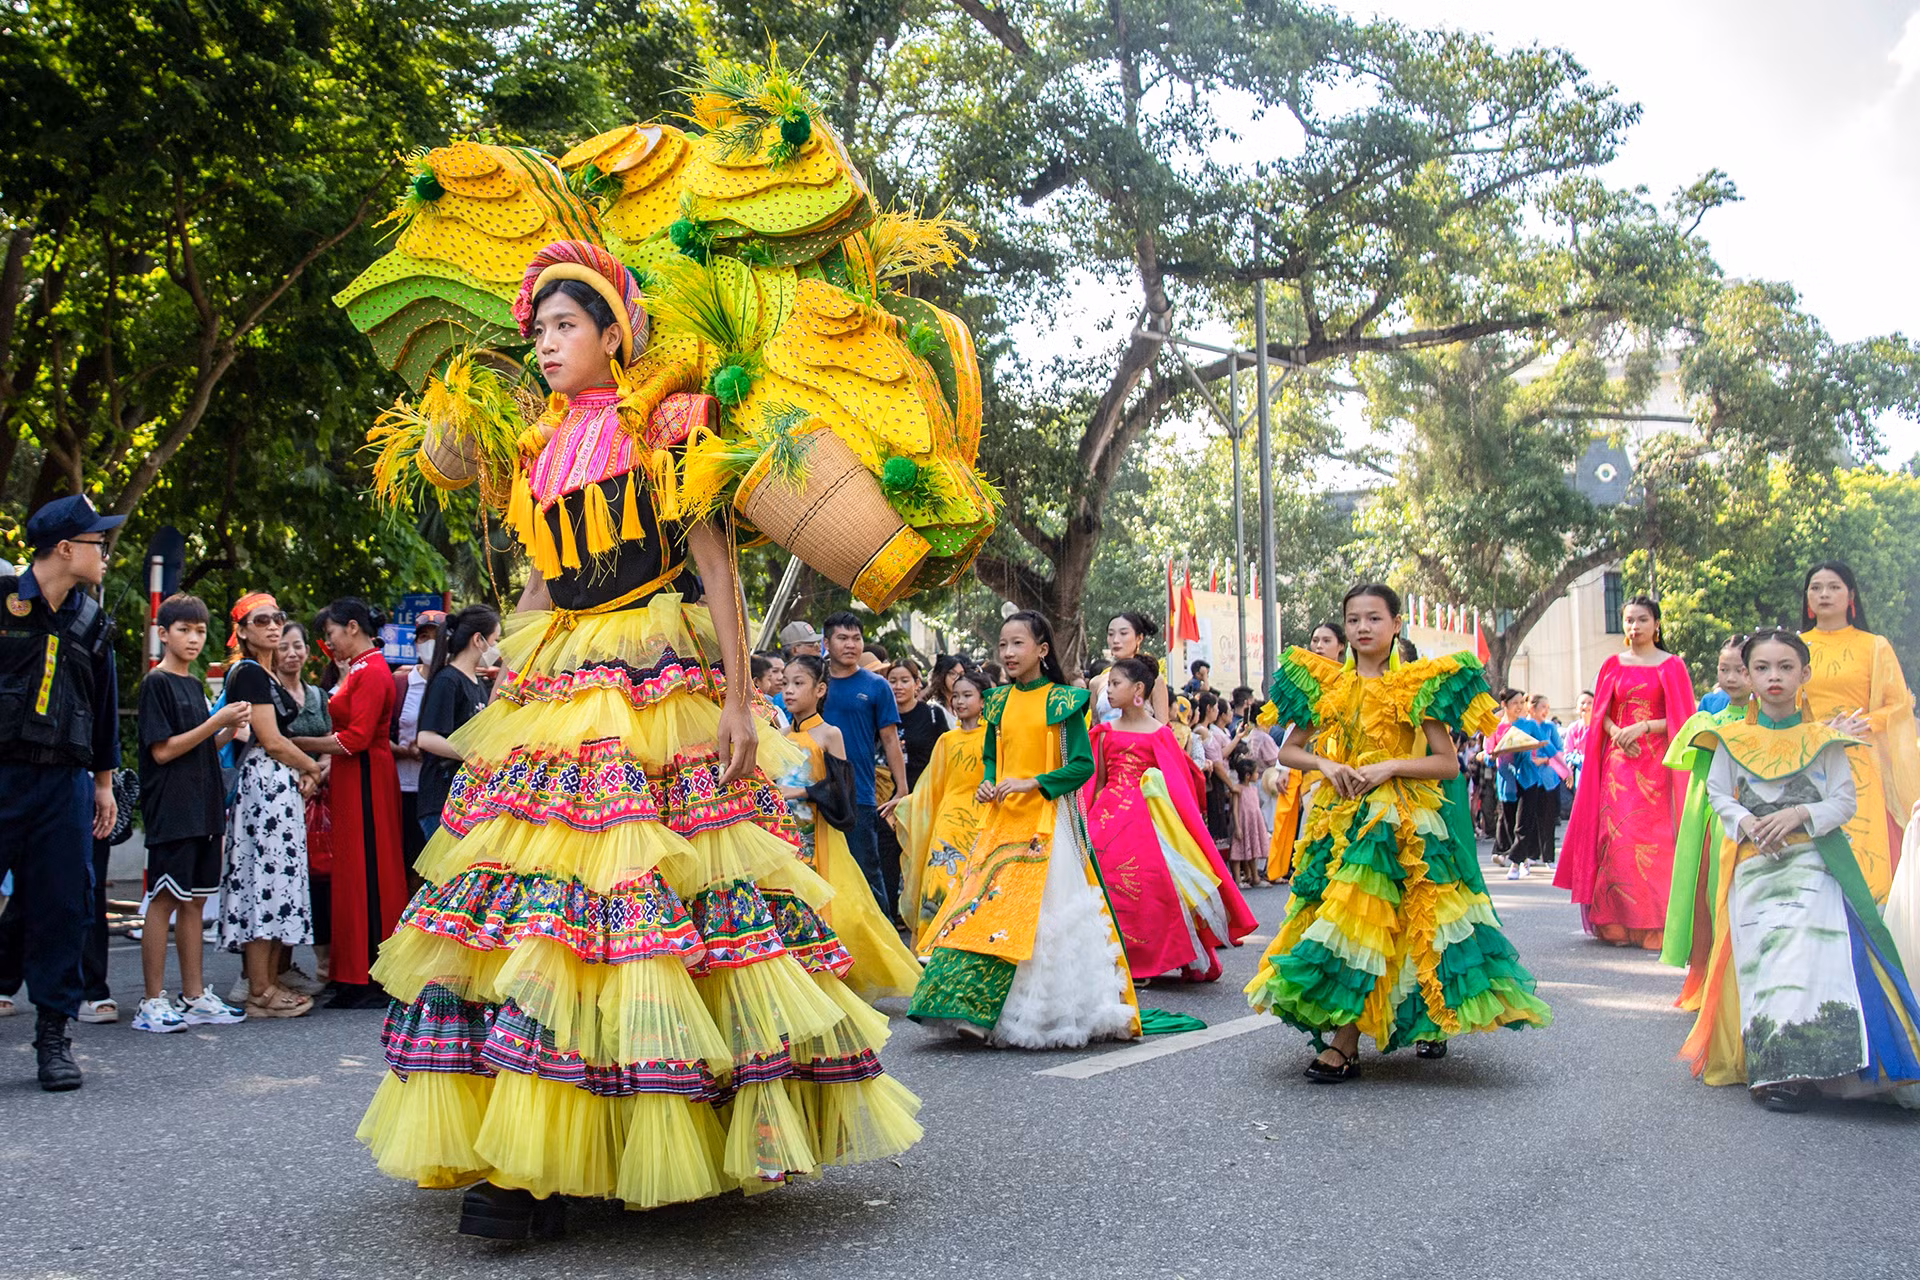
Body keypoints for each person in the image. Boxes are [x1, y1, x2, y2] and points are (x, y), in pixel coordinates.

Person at [357, 245, 919, 1238]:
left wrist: (743, 700)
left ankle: (653, 1134)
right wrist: (507, 678)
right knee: (538, 913)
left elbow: (717, 567)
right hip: (559, 677)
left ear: (615, 333)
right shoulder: (534, 445)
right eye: (538, 331)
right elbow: (540, 579)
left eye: (565, 327)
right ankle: (530, 1157)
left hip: (660, 669)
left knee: (655, 909)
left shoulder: (669, 426)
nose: (546, 345)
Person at [1247, 583, 1551, 1082]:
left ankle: (1351, 1041)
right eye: (1353, 620)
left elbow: (1447, 763)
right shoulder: (1324, 683)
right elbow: (1288, 751)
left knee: (1394, 924)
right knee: (1351, 924)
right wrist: (1326, 762)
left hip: (1399, 819)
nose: (1362, 628)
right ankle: (1360, 1032)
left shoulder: (1416, 685)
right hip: (1340, 815)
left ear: (1395, 624)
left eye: (1373, 618)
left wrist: (1389, 767)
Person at [1678, 628, 1920, 1112]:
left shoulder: (1825, 740)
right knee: (1764, 962)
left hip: (1814, 865)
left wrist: (1799, 814)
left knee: (1816, 961)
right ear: (1747, 674)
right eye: (1762, 668)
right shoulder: (1728, 737)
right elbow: (1721, 795)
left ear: (1805, 674)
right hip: (1753, 867)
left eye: (1786, 667)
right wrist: (1746, 821)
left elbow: (1843, 802)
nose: (1774, 677)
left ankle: (1829, 1064)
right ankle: (1778, 1072)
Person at [910, 611, 1139, 1047]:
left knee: (1028, 920)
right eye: (1002, 645)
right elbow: (993, 757)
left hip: (1043, 827)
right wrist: (989, 782)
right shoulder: (995, 702)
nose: (1008, 653)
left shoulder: (1065, 701)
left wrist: (1034, 782)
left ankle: (1027, 1013)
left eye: (1018, 644)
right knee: (980, 913)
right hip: (998, 824)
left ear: (1042, 650)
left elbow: (1081, 766)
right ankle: (969, 1007)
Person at [0, 496, 124, 1090]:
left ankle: (53, 1037)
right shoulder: (3, 603)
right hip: (2, 774)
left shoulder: (93, 622)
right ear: (66, 548)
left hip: (64, 786)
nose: (106, 553)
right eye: (98, 543)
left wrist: (103, 785)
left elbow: (103, 711)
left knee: (61, 908)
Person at [1083, 658, 1255, 983]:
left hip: (1149, 820)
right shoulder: (1102, 733)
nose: (1109, 689)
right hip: (1106, 819)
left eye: (1116, 683)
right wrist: (1086, 823)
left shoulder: (1159, 734)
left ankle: (1146, 957)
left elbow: (1180, 783)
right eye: (1108, 684)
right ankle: (1110, 955)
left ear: (1138, 690)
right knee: (1103, 880)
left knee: (1148, 883)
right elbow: (1099, 782)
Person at [130, 594, 252, 1034]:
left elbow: (196, 748)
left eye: (200, 631)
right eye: (184, 629)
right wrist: (216, 722)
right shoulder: (157, 683)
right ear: (163, 634)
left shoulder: (193, 683)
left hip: (203, 806)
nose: (194, 638)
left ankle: (195, 995)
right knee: (164, 899)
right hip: (172, 808)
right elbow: (163, 751)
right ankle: (150, 1000)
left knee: (196, 901)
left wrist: (227, 732)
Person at [1556, 597, 1697, 949]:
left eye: (1643, 620)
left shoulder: (1672, 665)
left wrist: (1645, 727)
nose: (1635, 627)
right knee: (1616, 841)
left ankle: (1656, 924)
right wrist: (1617, 731)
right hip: (1619, 765)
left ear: (1657, 625)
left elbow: (1683, 717)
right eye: (1630, 620)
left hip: (1657, 764)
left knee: (1656, 843)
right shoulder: (1612, 665)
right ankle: (1615, 921)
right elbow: (1601, 711)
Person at [779, 656, 922, 1001]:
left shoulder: (830, 733)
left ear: (820, 689)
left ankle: (839, 972)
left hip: (821, 834)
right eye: (785, 683)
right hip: (786, 837)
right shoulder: (780, 735)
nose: (789, 690)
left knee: (848, 913)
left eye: (798, 683)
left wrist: (800, 792)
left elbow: (841, 788)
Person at [216, 593, 326, 1018]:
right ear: (242, 632)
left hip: (276, 787)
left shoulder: (265, 674)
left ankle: (267, 980)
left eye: (278, 618)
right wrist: (312, 769)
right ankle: (259, 988)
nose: (274, 626)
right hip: (264, 785)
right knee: (264, 884)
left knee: (275, 883)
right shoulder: (248, 673)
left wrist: (302, 768)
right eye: (261, 620)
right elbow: (272, 740)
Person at [309, 598, 409, 1009]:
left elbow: (355, 739)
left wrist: (294, 744)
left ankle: (370, 973)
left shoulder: (370, 670)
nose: (328, 643)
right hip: (357, 776)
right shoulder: (365, 668)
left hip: (365, 774)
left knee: (368, 872)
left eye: (330, 634)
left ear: (352, 627)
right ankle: (356, 972)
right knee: (356, 871)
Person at [1800, 561, 1919, 902]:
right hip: (1810, 755)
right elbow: (1784, 704)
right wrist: (1821, 728)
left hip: (1862, 759)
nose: (1824, 594)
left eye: (1834, 587)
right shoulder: (1794, 647)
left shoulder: (1875, 646)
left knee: (1866, 850)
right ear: (1807, 599)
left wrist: (1860, 724)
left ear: (1851, 595)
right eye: (1816, 587)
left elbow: (1899, 704)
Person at [1661, 634, 1751, 1009]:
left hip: (1748, 808)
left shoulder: (1767, 710)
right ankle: (1708, 977)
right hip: (1712, 807)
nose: (1731, 677)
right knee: (1708, 890)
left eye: (1741, 670)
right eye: (1723, 669)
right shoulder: (1710, 707)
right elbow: (1685, 755)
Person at [820, 611, 908, 917]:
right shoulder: (816, 682)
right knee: (820, 875)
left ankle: (885, 950)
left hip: (860, 796)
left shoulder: (876, 686)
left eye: (856, 638)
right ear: (826, 642)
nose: (851, 645)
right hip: (814, 794)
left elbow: (890, 740)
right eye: (842, 638)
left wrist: (902, 788)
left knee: (868, 874)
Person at [897, 668, 990, 941]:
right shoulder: (946, 740)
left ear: (984, 700)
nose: (959, 702)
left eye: (968, 696)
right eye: (956, 696)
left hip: (981, 818)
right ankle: (933, 942)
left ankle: (969, 940)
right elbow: (931, 786)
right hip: (948, 821)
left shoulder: (994, 738)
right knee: (939, 878)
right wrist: (906, 804)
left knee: (974, 880)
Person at [276, 620, 335, 997]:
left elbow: (334, 741)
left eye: (297, 645)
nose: (292, 653)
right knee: (280, 882)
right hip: (281, 794)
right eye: (284, 647)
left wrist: (318, 773)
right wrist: (306, 772)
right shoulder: (267, 692)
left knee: (318, 882)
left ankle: (323, 966)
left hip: (319, 796)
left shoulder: (318, 696)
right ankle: (270, 970)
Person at [1268, 621, 1347, 883]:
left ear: (1341, 647)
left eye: (1326, 641)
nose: (1319, 646)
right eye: (1315, 640)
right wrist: (1285, 769)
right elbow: (1293, 732)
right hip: (1318, 779)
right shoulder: (1308, 682)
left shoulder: (1353, 679)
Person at [414, 604, 499, 844]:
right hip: (440, 798)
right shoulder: (448, 681)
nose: (497, 647)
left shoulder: (478, 684)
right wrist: (473, 755)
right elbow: (426, 738)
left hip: (464, 798)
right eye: (495, 639)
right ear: (478, 640)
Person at [391, 609, 441, 883]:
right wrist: (403, 750)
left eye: (435, 637)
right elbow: (379, 734)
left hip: (438, 789)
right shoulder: (400, 682)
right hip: (403, 787)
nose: (429, 643)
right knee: (405, 860)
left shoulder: (450, 681)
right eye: (424, 637)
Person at [1505, 693, 1564, 880]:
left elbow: (1549, 747)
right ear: (1504, 705)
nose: (1519, 706)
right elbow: (1490, 749)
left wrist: (1564, 768)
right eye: (1515, 703)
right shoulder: (1500, 726)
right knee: (1510, 823)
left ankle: (1516, 862)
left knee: (1524, 823)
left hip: (1529, 779)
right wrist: (1489, 755)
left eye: (1521, 702)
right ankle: (1522, 859)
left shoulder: (1529, 725)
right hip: (1506, 781)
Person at [1089, 612, 1171, 724]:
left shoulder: (1154, 679)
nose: (1116, 640)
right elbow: (1095, 728)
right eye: (1111, 634)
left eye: (1123, 633)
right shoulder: (1097, 683)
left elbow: (1163, 729)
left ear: (1139, 638)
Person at [752, 652, 789, 729]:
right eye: (775, 671)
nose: (781, 677)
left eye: (783, 672)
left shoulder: (775, 704)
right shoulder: (764, 709)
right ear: (756, 681)